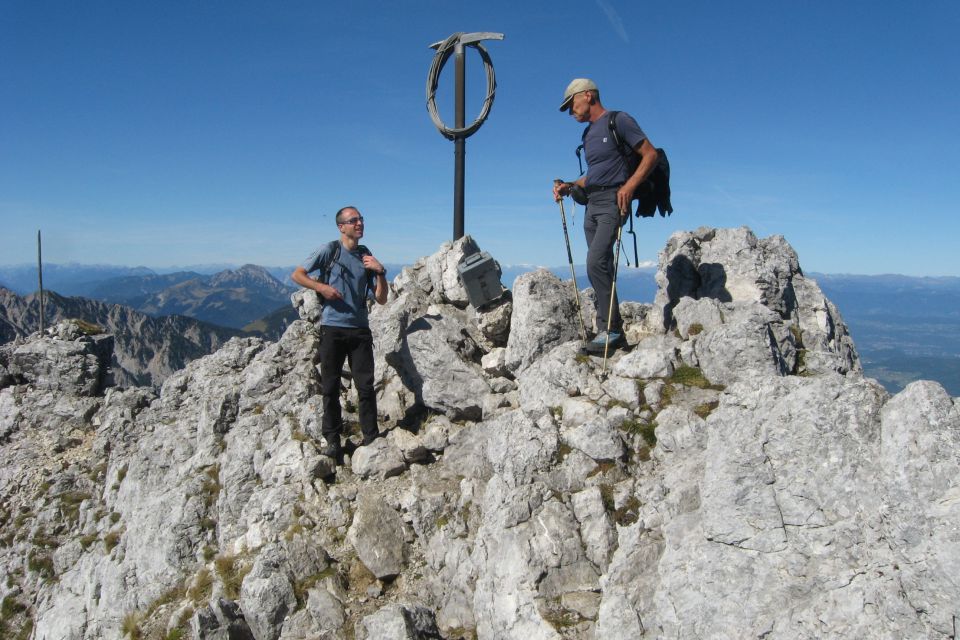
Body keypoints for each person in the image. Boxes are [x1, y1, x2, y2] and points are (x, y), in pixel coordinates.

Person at [553, 78, 660, 353]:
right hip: (593, 204)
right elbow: (595, 174)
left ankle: (608, 328)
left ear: (588, 95)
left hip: (614, 201)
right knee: (603, 266)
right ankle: (615, 330)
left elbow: (650, 155)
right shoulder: (588, 135)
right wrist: (570, 186)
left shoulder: (619, 120)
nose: (570, 111)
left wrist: (630, 186)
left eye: (571, 103)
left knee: (595, 261)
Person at [291, 206, 389, 464]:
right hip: (332, 328)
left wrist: (380, 272)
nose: (359, 224)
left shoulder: (366, 255)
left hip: (359, 329)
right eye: (353, 220)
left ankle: (371, 438)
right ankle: (333, 441)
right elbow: (297, 274)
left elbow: (381, 299)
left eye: (361, 219)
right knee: (331, 388)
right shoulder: (329, 251)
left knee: (365, 387)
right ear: (341, 226)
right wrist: (321, 287)